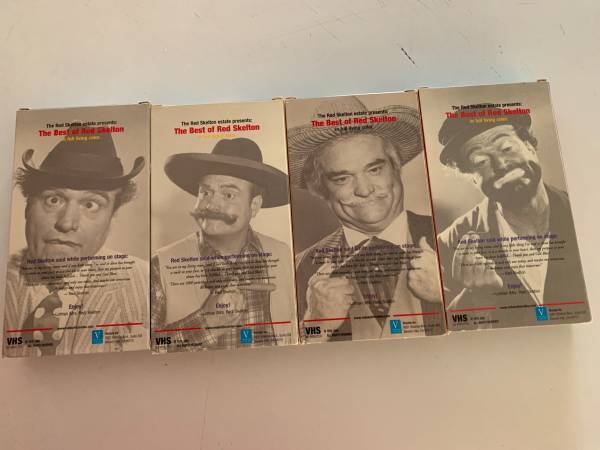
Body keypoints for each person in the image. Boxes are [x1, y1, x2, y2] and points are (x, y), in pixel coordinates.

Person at [288, 97, 444, 341]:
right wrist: (315, 323)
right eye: (342, 179)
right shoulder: (299, 268)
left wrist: (447, 295)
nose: (364, 190)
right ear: (321, 189)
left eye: (374, 169)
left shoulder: (452, 238)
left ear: (396, 167)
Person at [3, 127, 148, 357]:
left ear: (112, 217)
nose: (67, 223)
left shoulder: (148, 285)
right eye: (53, 199)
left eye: (91, 204)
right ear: (27, 206)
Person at [151, 138, 296, 351]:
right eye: (205, 192)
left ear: (254, 205)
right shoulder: (160, 265)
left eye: (228, 195)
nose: (211, 205)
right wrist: (206, 323)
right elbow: (149, 349)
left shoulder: (284, 256)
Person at [435, 109, 587, 312]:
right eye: (481, 161)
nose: (501, 165)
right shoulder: (449, 243)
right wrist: (475, 296)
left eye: (507, 148)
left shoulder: (586, 215)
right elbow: (442, 320)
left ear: (530, 147)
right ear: (472, 178)